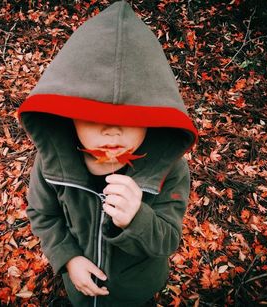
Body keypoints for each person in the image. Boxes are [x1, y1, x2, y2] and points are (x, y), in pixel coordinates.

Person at [17, 1, 198, 306]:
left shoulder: (169, 169)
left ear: (153, 121)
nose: (112, 132)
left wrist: (137, 219)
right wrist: (69, 258)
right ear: (68, 116)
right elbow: (43, 215)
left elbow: (167, 240)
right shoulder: (53, 164)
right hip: (79, 287)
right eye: (92, 117)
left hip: (135, 291)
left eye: (131, 120)